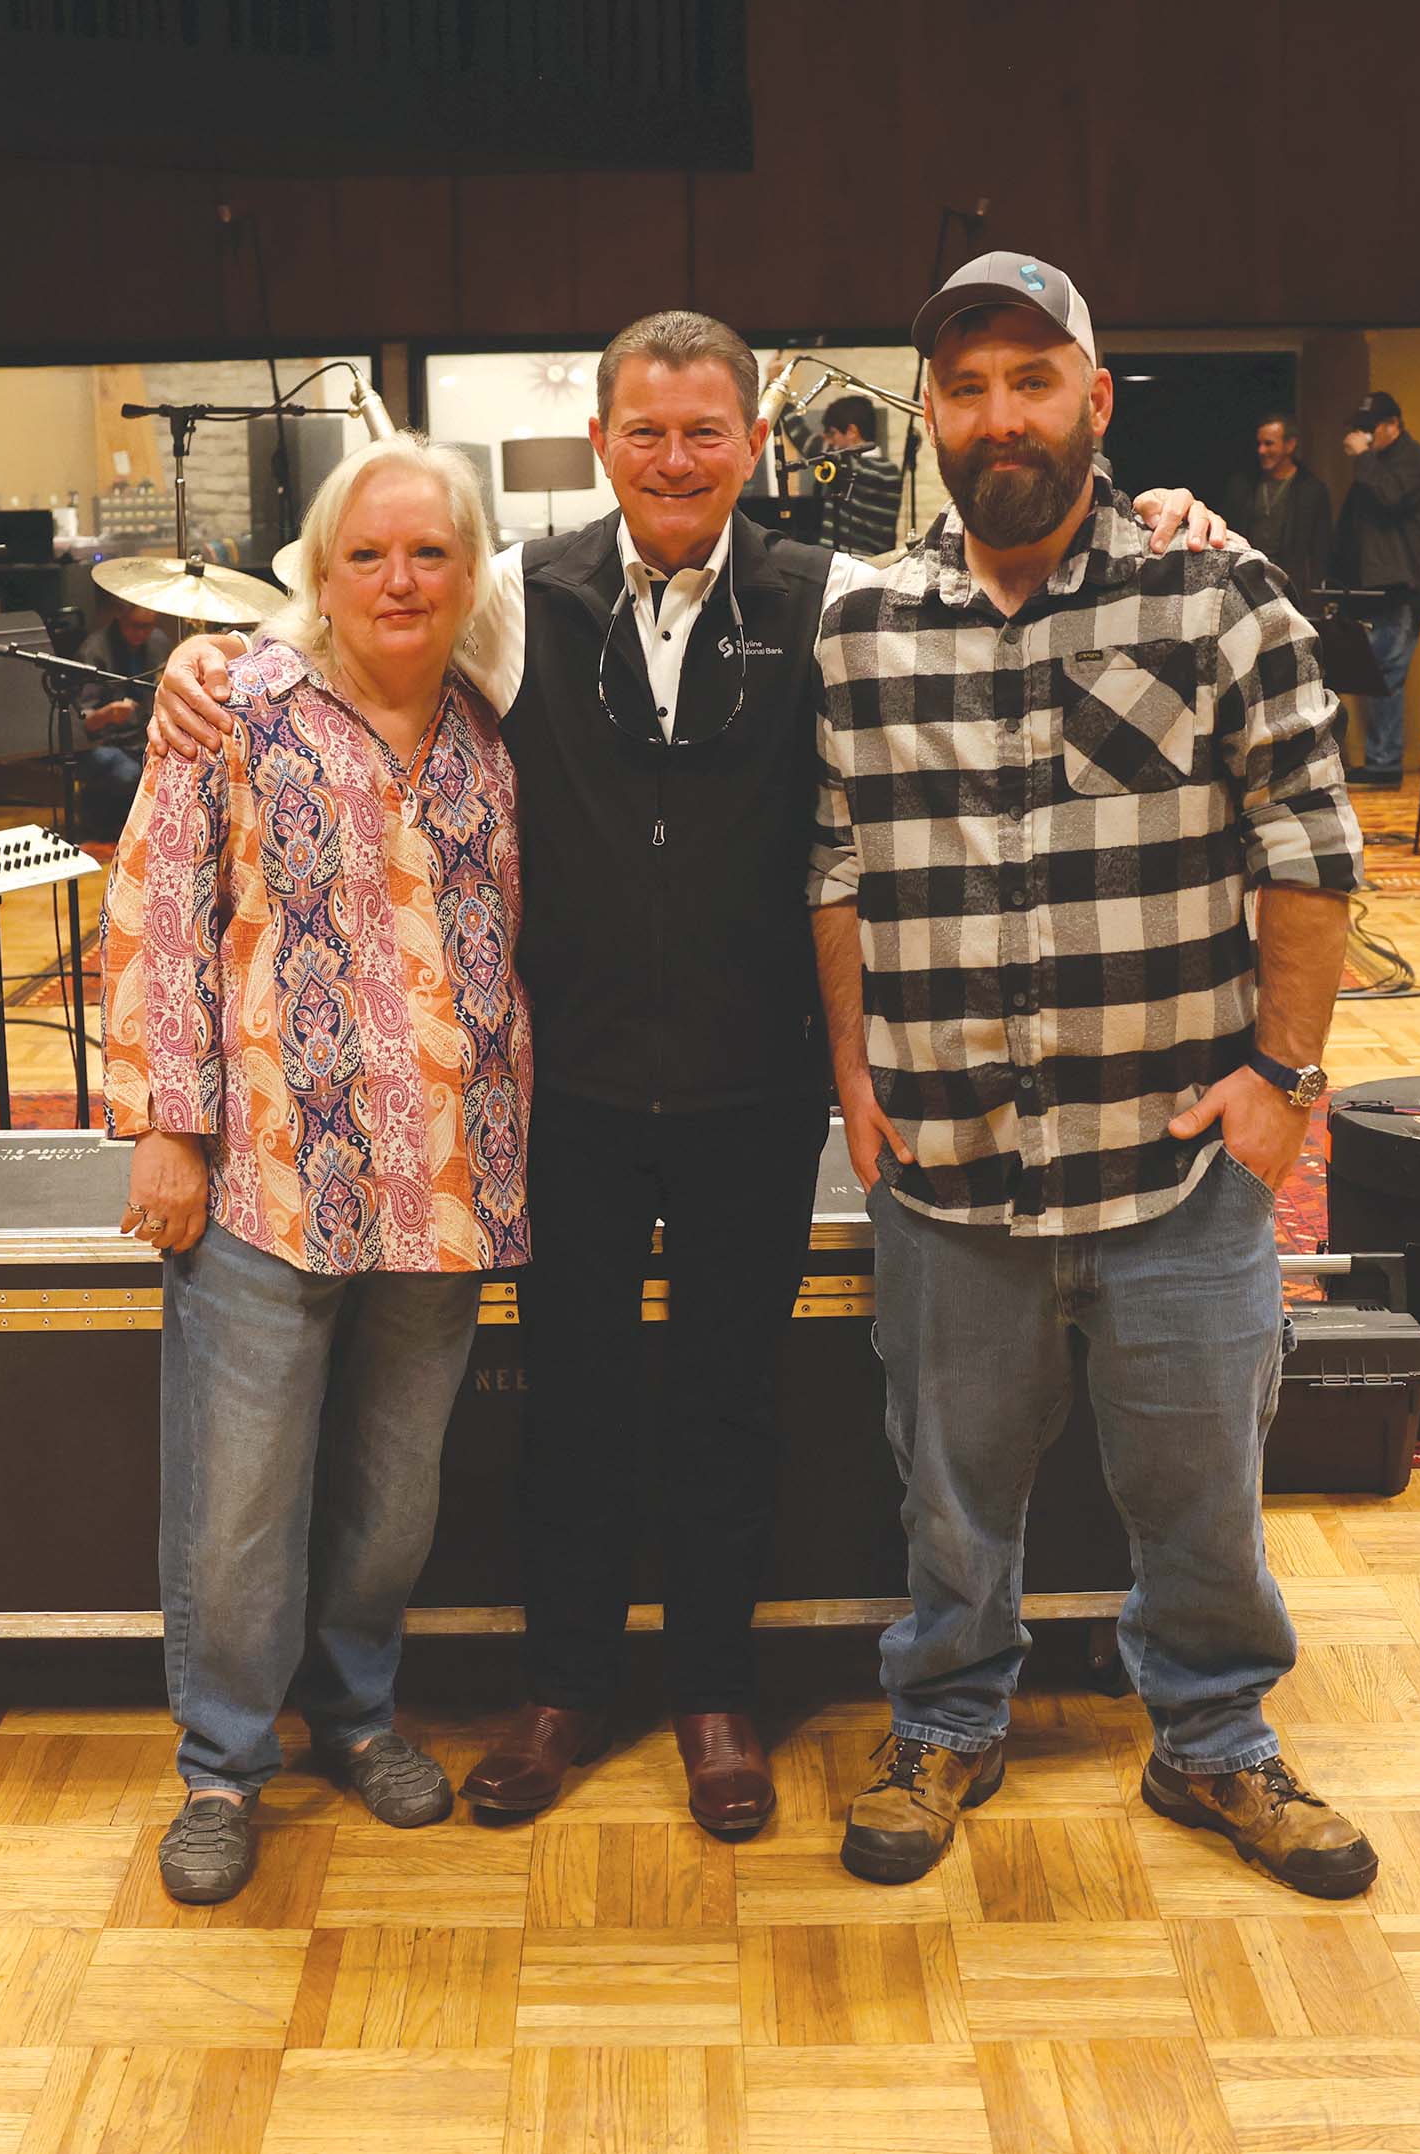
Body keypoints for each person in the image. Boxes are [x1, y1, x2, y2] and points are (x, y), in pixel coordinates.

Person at [147, 323, 1239, 1839]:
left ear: (754, 442)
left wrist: (1164, 512)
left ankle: (717, 1695)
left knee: (732, 1402)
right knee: (573, 1406)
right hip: (568, 1095)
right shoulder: (512, 594)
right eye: (647, 432)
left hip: (752, 1089)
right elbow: (352, 623)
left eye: (705, 432)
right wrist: (206, 656)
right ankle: (565, 1689)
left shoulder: (835, 595)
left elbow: (993, 598)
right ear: (600, 442)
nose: (675, 459)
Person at [810, 249, 1379, 1901]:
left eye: (1031, 380)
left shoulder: (1217, 597)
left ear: (1096, 400)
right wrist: (854, 1073)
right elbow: (833, 868)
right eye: (965, 387)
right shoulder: (861, 627)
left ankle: (1213, 1738)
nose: (1000, 415)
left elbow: (1308, 847)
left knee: (1201, 1485)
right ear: (928, 416)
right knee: (948, 1490)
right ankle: (946, 1718)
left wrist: (1284, 1077)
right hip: (946, 1163)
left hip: (1174, 1164)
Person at [100, 437, 529, 1906]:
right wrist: (166, 1124)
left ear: (469, 574)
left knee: (393, 1493)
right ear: (321, 575)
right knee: (238, 1500)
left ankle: (357, 1715)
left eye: (428, 553)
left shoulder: (496, 729)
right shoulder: (233, 711)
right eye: (368, 555)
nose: (399, 580)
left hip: (451, 1181)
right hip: (265, 1182)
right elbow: (159, 912)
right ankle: (222, 1765)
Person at [1332, 392, 1420, 789]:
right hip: (1377, 587)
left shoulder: (1412, 458)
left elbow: (1390, 497)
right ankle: (1380, 761)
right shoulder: (1378, 465)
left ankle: (1384, 764)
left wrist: (1363, 457)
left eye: (1369, 427)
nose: (1362, 435)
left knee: (1387, 673)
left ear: (1393, 425)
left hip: (1405, 588)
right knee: (1375, 672)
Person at [72, 593, 170, 839]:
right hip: (102, 742)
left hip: (142, 736)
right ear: (119, 617)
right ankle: (106, 826)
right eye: (135, 626)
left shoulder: (158, 642)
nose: (142, 633)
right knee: (129, 773)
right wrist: (107, 714)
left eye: (148, 626)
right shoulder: (94, 651)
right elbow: (81, 722)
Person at [1227, 411, 1341, 609]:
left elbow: (1321, 549)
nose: (1261, 450)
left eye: (1269, 443)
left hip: (1291, 586)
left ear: (1290, 445)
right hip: (1248, 581)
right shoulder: (1244, 485)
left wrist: (1317, 598)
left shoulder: (1311, 490)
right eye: (1259, 443)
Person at [814, 393, 906, 560]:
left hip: (853, 567)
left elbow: (807, 442)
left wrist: (777, 390)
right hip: (866, 566)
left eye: (832, 433)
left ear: (852, 431)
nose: (830, 442)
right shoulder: (889, 470)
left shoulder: (852, 467)